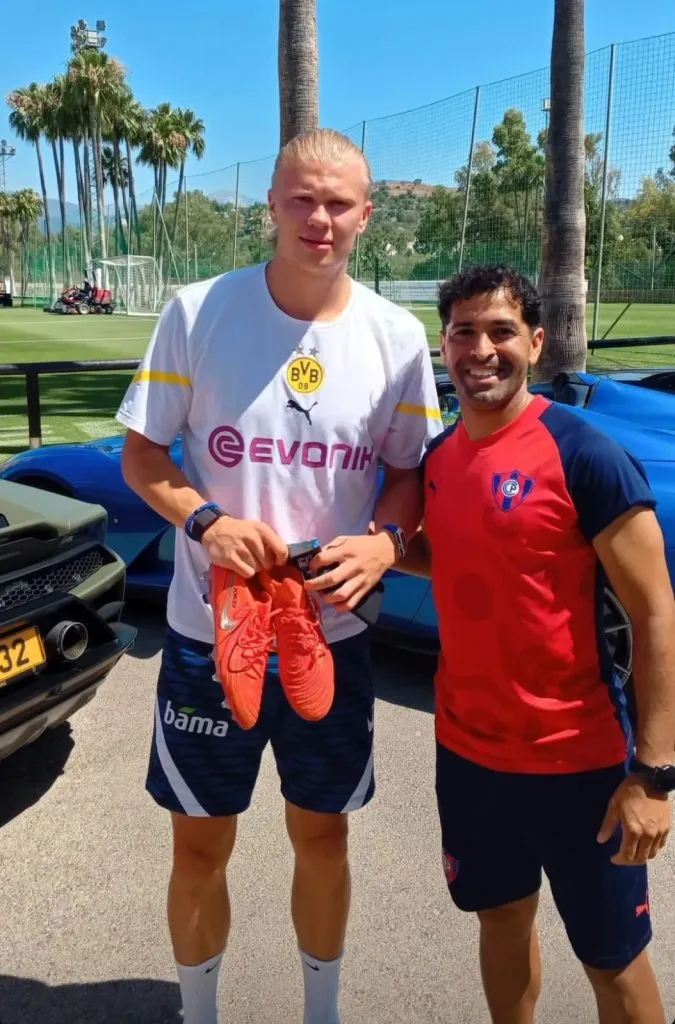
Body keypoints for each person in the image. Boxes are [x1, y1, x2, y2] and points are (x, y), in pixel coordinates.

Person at [116, 128, 442, 1024]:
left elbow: (409, 470)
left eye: (339, 202)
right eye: (301, 198)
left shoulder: (396, 336)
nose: (319, 218)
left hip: (328, 636)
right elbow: (142, 458)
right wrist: (207, 522)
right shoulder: (196, 311)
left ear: (366, 215)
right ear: (270, 205)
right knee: (197, 849)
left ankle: (320, 1014)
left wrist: (383, 540)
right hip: (204, 636)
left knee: (323, 836)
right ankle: (199, 1014)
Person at [400, 264, 675, 1024]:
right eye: (462, 332)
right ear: (443, 343)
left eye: (499, 331)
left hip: (578, 763)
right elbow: (451, 553)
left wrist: (653, 776)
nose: (479, 350)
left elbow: (655, 613)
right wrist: (372, 548)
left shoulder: (582, 455)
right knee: (501, 919)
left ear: (536, 340)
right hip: (468, 755)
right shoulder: (440, 458)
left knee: (612, 960)